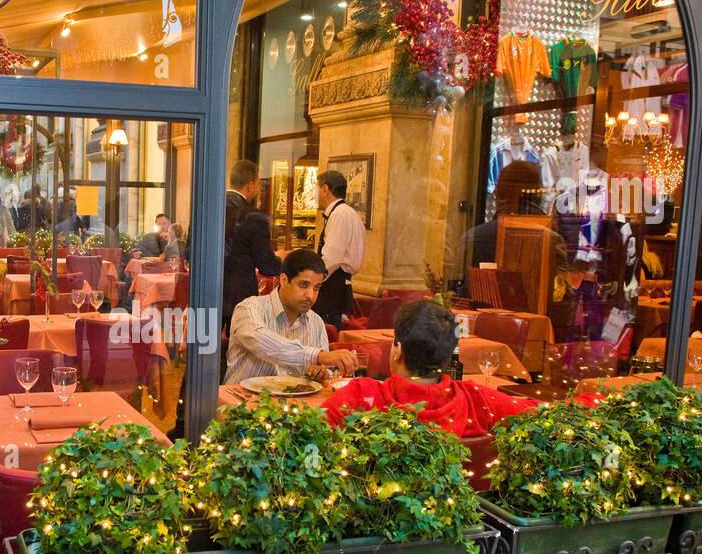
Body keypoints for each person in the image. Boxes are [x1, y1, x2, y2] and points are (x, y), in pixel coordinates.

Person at [322, 300, 538, 436]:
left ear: (397, 349)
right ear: (446, 358)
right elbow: (540, 414)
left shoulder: (359, 398)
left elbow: (306, 436)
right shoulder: (476, 401)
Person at [224, 248, 361, 385]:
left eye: (316, 288)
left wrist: (320, 373)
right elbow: (261, 342)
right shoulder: (249, 308)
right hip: (242, 402)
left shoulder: (316, 322)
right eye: (303, 285)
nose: (310, 295)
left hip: (295, 403)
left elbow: (323, 368)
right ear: (283, 280)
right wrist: (317, 356)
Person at [223, 158, 280, 330]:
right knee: (240, 349)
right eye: (258, 185)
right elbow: (267, 266)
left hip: (205, 291)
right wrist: (283, 261)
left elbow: (188, 252)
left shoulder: (205, 209)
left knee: (202, 348)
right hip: (239, 295)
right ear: (250, 185)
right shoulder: (254, 217)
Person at [315, 169, 365, 328]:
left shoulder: (340, 215)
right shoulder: (348, 213)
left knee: (327, 333)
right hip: (340, 284)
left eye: (317, 189)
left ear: (325, 189)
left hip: (333, 288)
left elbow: (331, 259)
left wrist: (311, 279)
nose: (315, 195)